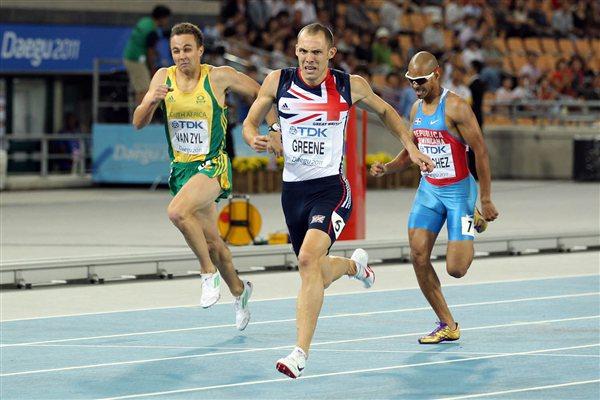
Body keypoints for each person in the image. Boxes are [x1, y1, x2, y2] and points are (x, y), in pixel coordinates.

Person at [242, 23, 434, 378]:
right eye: (303, 51)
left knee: (306, 259)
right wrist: (258, 137)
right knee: (313, 269)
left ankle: (300, 353)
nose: (309, 58)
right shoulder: (277, 82)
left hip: (332, 189)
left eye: (316, 52)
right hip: (292, 193)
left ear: (331, 53)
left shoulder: (349, 85)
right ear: (295, 51)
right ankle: (353, 267)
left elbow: (387, 113)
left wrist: (410, 145)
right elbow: (249, 123)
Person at [132, 22, 277, 331]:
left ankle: (206, 273)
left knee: (177, 212)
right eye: (175, 51)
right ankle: (240, 292)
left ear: (200, 50)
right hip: (182, 170)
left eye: (187, 49)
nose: (181, 56)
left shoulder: (218, 76)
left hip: (212, 165)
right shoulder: (162, 77)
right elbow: (138, 122)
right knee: (213, 242)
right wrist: (150, 101)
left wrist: (273, 128)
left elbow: (261, 93)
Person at [370, 51, 499, 345]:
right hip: (429, 190)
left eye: (421, 80)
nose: (416, 86)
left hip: (460, 194)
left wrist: (487, 198)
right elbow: (412, 151)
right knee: (417, 255)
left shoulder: (456, 107)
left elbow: (480, 151)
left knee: (456, 268)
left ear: (437, 74)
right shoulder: (416, 110)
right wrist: (388, 168)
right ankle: (447, 324)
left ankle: (473, 219)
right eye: (411, 81)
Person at [124, 5, 172, 105]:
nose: (167, 22)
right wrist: (152, 68)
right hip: (136, 60)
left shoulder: (145, 22)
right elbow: (150, 52)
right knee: (144, 89)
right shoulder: (152, 31)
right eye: (167, 19)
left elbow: (145, 44)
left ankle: (141, 116)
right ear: (162, 18)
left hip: (131, 57)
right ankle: (141, 118)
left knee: (143, 89)